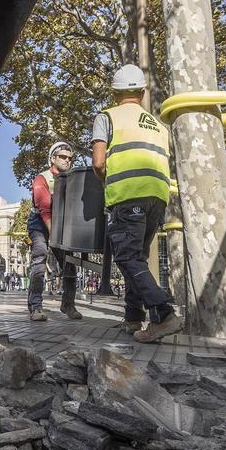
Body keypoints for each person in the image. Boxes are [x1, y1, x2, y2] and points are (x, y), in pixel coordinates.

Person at [91, 64, 181, 343]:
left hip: (128, 195)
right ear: (142, 92)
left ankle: (163, 313)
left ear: (114, 93)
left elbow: (98, 161)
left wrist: (108, 181)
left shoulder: (107, 116)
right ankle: (133, 318)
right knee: (137, 258)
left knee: (127, 257)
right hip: (158, 197)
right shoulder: (158, 125)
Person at [26, 142, 81, 321]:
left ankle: (68, 305)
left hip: (62, 224)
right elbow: (44, 209)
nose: (67, 161)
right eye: (63, 157)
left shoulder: (72, 179)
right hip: (41, 224)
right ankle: (35, 307)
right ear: (52, 158)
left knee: (69, 263)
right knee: (40, 258)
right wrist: (53, 235)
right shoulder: (42, 178)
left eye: (70, 158)